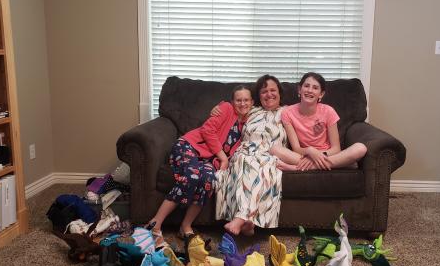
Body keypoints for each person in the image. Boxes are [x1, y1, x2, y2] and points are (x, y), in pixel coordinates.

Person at [144, 85, 254, 246]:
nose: (242, 103)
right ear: (232, 102)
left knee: (208, 181)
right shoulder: (226, 108)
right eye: (238, 100)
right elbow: (207, 130)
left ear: (252, 102)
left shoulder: (249, 124)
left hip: (208, 160)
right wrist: (223, 158)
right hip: (189, 147)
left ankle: (185, 226)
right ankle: (155, 224)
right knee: (192, 176)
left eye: (246, 100)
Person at [215, 75, 288, 236]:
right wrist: (217, 107)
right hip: (245, 151)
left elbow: (307, 118)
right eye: (264, 91)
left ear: (280, 93)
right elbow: (232, 108)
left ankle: (241, 217)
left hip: (270, 153)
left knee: (262, 166)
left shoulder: (287, 112)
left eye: (273, 90)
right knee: (243, 160)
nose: (269, 94)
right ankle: (248, 222)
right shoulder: (252, 110)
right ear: (258, 96)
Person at [272, 72, 367, 171]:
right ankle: (337, 163)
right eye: (306, 86)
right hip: (303, 154)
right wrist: (310, 151)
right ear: (299, 89)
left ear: (321, 94)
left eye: (315, 88)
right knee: (274, 149)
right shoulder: (287, 113)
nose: (310, 90)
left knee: (360, 148)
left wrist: (317, 155)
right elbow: (296, 149)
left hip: (327, 154)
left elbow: (336, 149)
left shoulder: (328, 111)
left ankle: (297, 168)